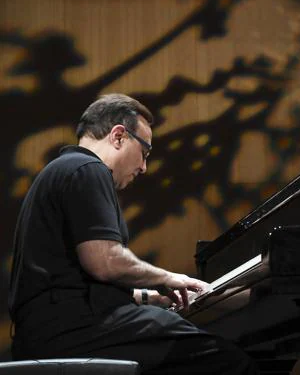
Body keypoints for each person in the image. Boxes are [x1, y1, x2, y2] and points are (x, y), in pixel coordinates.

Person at [8, 93, 258, 374]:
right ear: (118, 136)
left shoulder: (63, 171)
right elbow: (104, 261)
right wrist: (168, 277)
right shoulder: (87, 169)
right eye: (145, 152)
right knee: (227, 360)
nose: (144, 167)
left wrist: (151, 297)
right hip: (72, 329)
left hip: (51, 329)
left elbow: (73, 279)